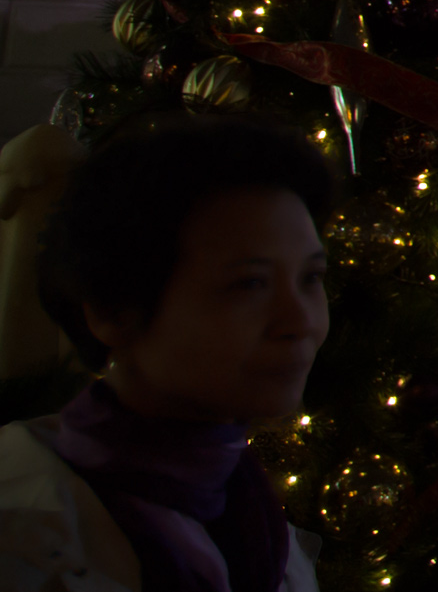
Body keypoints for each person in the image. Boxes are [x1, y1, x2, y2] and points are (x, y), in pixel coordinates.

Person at [4, 115, 333, 592]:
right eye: (249, 284)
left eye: (311, 279)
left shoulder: (249, 509)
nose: (300, 321)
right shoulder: (24, 535)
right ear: (113, 310)